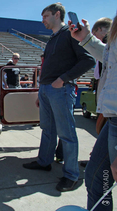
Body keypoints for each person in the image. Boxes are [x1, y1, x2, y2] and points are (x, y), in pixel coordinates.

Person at [22, 3, 95, 192]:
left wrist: (63, 79)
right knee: (47, 129)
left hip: (61, 89)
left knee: (66, 133)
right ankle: (44, 161)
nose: (42, 20)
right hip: (47, 90)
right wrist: (42, 91)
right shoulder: (52, 38)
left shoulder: (70, 33)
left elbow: (89, 60)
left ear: (57, 14)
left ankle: (71, 175)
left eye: (45, 16)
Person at [69, 14, 117, 211]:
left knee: (101, 178)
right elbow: (109, 57)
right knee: (97, 177)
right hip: (113, 118)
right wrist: (87, 39)